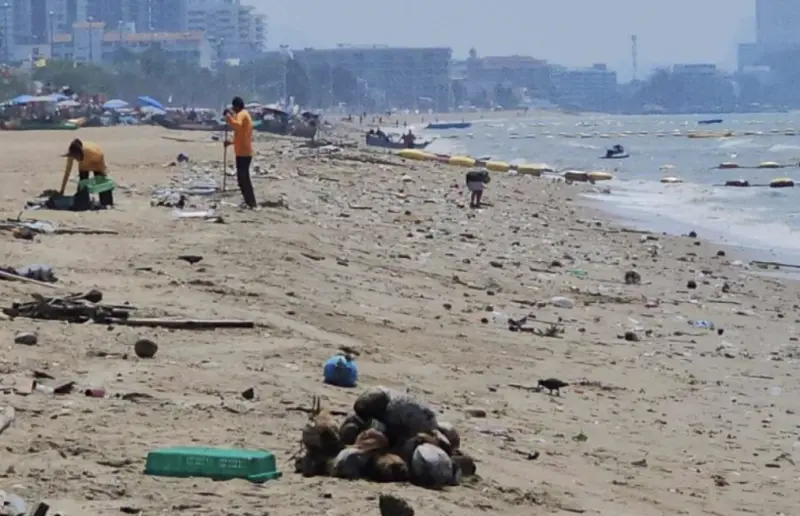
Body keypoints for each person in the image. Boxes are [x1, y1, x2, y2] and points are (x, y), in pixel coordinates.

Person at [60, 138, 112, 211]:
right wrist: (62, 189)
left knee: (101, 180)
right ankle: (82, 203)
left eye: (76, 157)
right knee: (83, 183)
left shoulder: (92, 152)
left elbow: (101, 158)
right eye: (74, 157)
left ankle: (106, 202)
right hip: (84, 162)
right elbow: (67, 171)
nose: (76, 159)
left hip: (96, 159)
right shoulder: (72, 154)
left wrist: (103, 173)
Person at [223, 96, 257, 209]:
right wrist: (231, 142)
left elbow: (237, 126)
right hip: (242, 151)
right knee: (242, 178)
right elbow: (241, 134)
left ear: (236, 106)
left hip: (244, 152)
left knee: (243, 179)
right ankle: (249, 201)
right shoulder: (242, 114)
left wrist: (228, 118)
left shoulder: (242, 114)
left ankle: (251, 202)